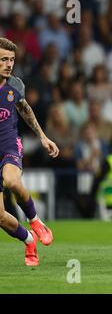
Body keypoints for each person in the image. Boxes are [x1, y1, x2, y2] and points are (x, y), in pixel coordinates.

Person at [0, 37, 59, 266]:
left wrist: (43, 137)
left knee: (12, 181)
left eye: (12, 60)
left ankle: (35, 220)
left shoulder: (15, 85)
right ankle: (29, 239)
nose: (9, 64)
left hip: (9, 146)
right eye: (3, 59)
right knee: (1, 217)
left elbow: (25, 109)